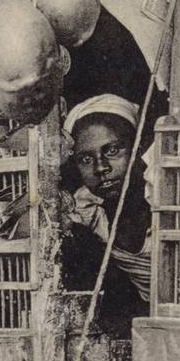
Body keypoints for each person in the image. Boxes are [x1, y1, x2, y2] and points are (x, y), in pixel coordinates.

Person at [61, 94, 150, 337]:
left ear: (137, 148)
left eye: (112, 150)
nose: (101, 168)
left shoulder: (161, 196)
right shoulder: (88, 208)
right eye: (86, 159)